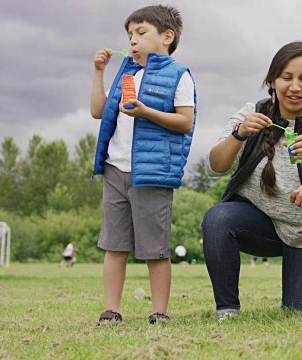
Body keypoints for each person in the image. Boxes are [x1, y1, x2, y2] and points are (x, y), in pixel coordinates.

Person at [202, 41, 302, 321]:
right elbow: (216, 166)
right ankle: (228, 311)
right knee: (218, 219)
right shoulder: (252, 112)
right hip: (258, 224)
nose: (295, 86)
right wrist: (239, 133)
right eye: (287, 77)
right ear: (272, 80)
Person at [90, 4, 196, 325]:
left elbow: (185, 122)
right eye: (129, 35)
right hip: (115, 169)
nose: (133, 40)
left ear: (167, 36)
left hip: (152, 173)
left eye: (141, 33)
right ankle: (111, 311)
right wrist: (99, 72)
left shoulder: (179, 75)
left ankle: (159, 312)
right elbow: (98, 111)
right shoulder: (125, 72)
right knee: (115, 245)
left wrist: (147, 111)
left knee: (155, 249)